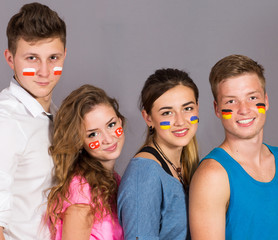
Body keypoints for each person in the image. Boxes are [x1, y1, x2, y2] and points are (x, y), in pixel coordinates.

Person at [189, 54, 278, 239]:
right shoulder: (212, 176)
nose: (244, 109)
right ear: (217, 109)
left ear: (266, 101)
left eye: (252, 98)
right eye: (231, 101)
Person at [0, 2, 66, 239]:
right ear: (10, 59)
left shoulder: (57, 116)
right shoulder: (5, 121)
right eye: (32, 58)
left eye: (53, 58)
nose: (44, 71)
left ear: (64, 56)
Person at [118, 68, 199, 239]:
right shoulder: (144, 174)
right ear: (148, 118)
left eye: (187, 108)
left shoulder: (187, 163)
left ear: (197, 108)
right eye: (167, 113)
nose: (180, 121)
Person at [46, 84, 125, 240]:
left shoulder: (114, 180)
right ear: (80, 142)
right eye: (93, 134)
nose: (108, 139)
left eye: (111, 125)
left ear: (120, 121)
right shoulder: (80, 191)